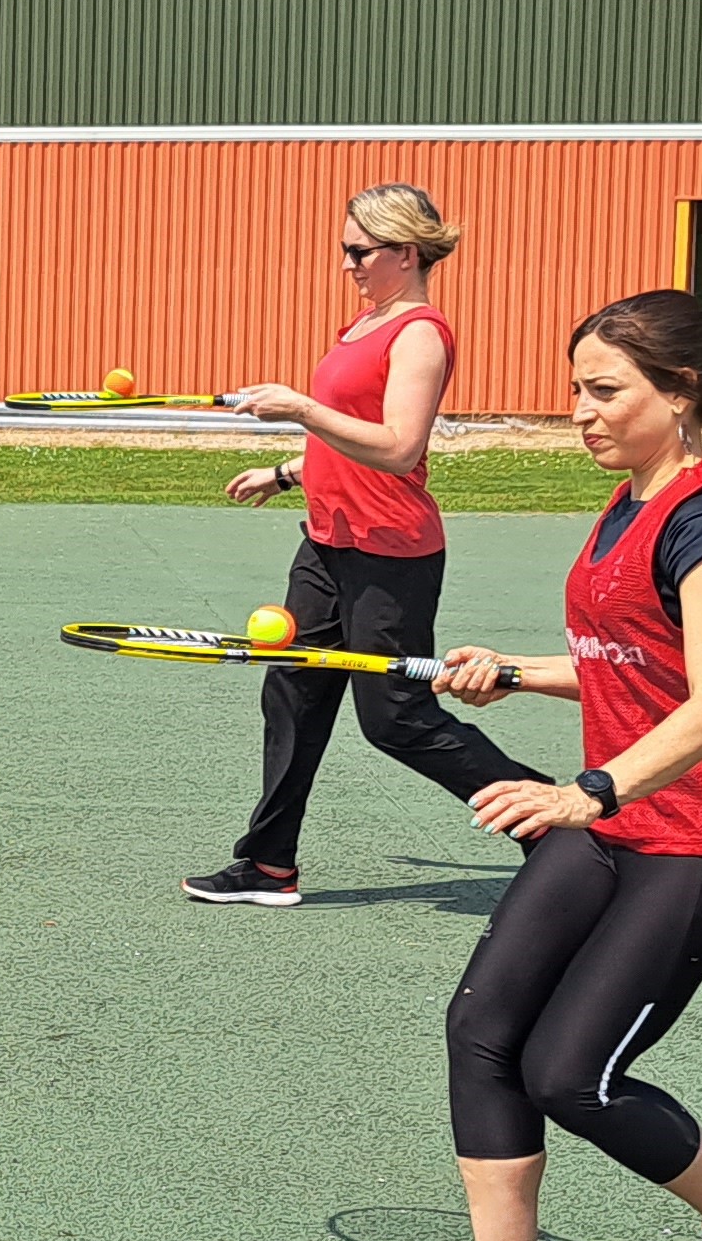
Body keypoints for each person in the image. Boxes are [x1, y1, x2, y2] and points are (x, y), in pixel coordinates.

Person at [378, 291, 702, 1241]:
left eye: (604, 390)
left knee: (572, 1074)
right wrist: (516, 672)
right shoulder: (630, 502)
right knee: (482, 1032)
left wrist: (586, 792)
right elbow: (634, 663)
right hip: (629, 813)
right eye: (576, 387)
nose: (577, 410)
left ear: (684, 395)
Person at [186, 183, 525, 906]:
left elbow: (400, 449)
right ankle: (267, 864)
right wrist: (287, 472)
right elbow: (348, 436)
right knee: (292, 694)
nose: (347, 264)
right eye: (346, 250)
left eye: (359, 251)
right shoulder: (363, 325)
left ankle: (554, 823)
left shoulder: (420, 334)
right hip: (327, 542)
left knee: (397, 721)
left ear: (405, 253)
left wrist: (298, 407)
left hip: (389, 551)